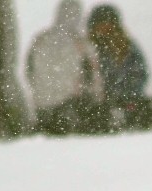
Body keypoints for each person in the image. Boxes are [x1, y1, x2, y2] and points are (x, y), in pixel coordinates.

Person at [25, 0, 104, 135]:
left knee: (45, 144)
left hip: (42, 103)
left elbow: (29, 70)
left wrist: (39, 90)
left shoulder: (41, 39)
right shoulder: (81, 43)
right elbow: (93, 74)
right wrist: (97, 98)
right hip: (70, 104)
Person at [86, 4, 152, 131]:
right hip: (96, 103)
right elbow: (83, 77)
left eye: (108, 23)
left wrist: (127, 94)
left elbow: (140, 72)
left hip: (128, 99)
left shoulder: (127, 46)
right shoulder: (87, 49)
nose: (104, 28)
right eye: (100, 23)